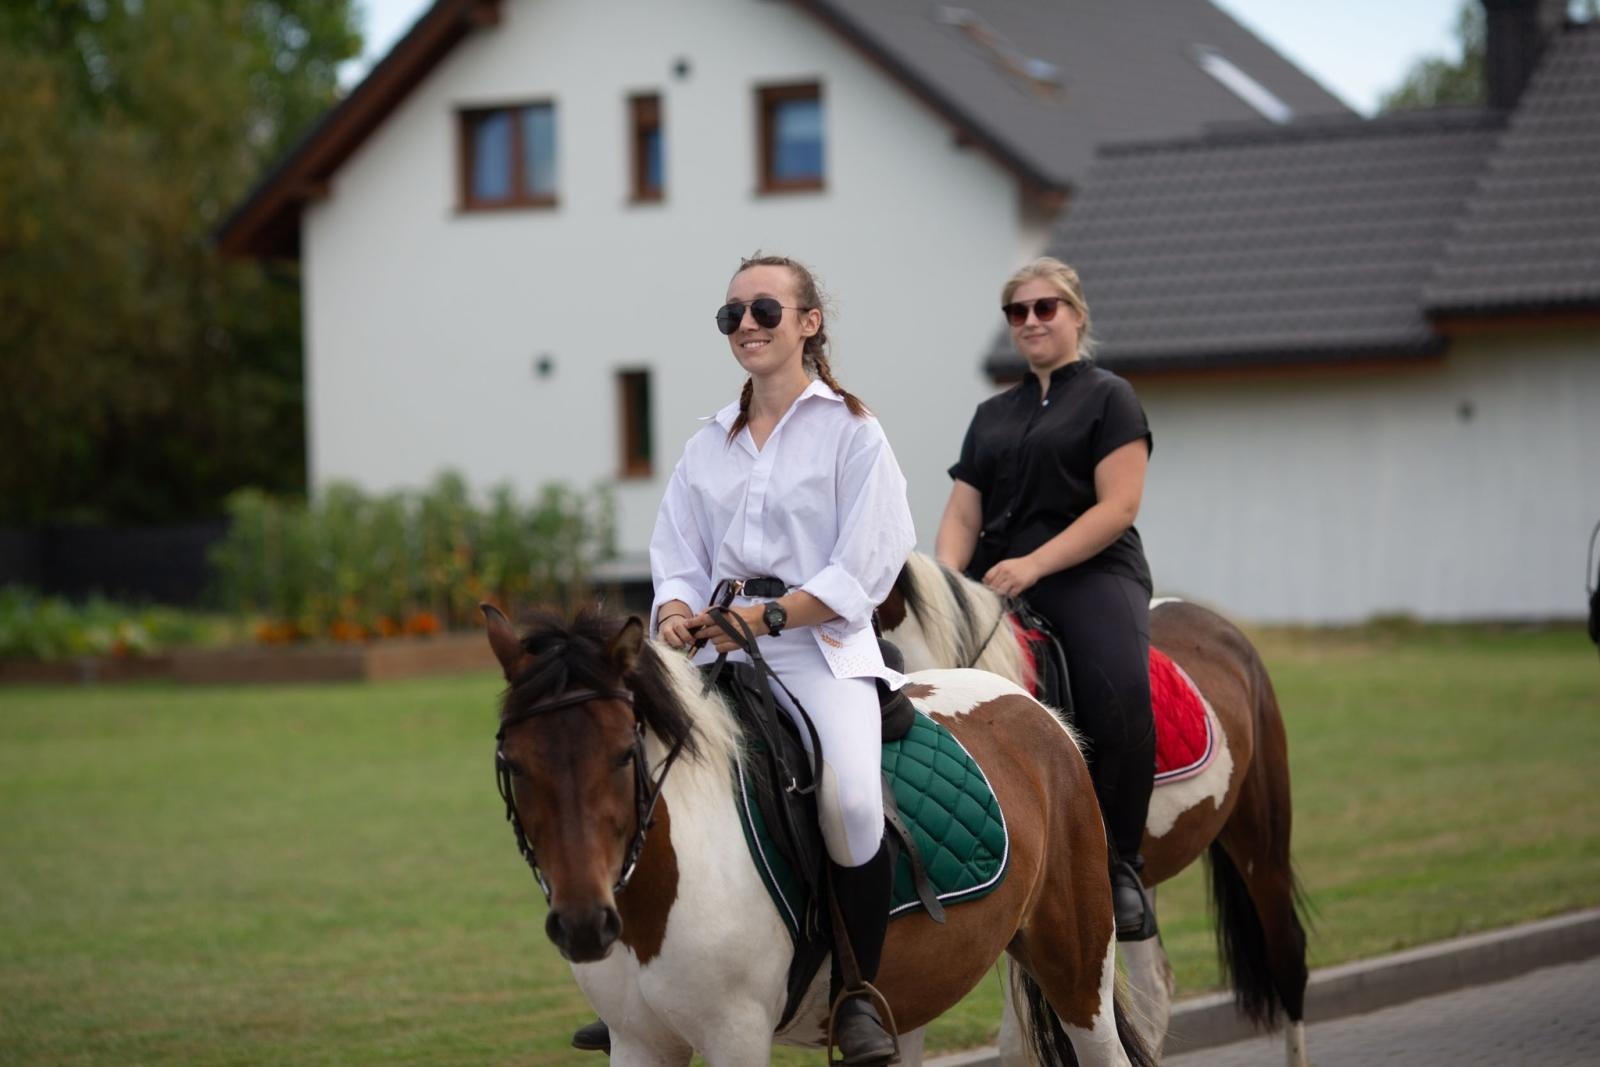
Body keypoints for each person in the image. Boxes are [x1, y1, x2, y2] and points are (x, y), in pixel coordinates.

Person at [574, 254, 915, 1064]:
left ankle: (858, 994)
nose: (748, 326)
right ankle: (636, 993)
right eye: (732, 315)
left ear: (809, 322)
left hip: (818, 652)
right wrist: (681, 609)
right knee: (621, 769)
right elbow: (676, 551)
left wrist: (766, 616)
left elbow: (867, 561)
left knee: (854, 802)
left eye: (765, 309)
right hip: (712, 651)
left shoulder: (854, 432)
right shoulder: (707, 443)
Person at [934, 256, 1158, 942]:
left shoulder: (1109, 397)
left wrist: (1034, 563)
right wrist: (947, 585)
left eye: (1045, 307)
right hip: (993, 584)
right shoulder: (990, 412)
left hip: (1090, 572)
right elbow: (963, 515)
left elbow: (1119, 506)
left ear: (1077, 316)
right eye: (1017, 311)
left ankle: (1122, 861)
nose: (1030, 320)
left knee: (1117, 685)